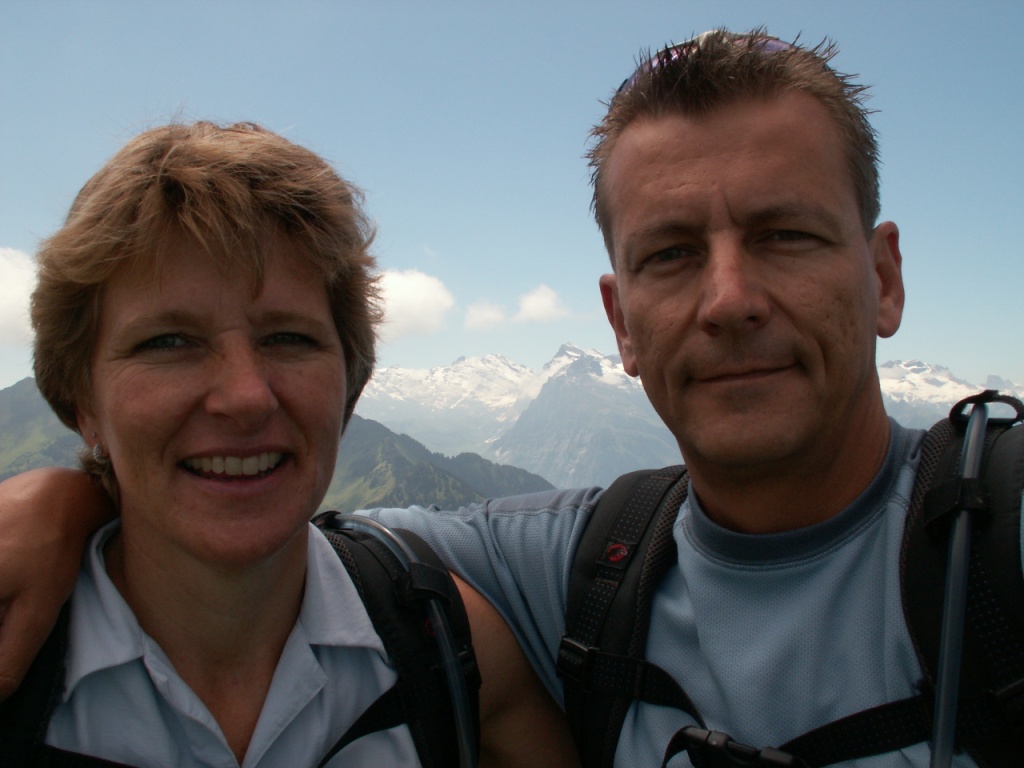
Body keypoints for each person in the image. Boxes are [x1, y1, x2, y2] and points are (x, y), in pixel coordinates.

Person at [0, 29, 1018, 767]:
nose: (729, 300)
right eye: (670, 254)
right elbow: (269, 531)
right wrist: (72, 497)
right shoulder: (557, 572)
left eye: (784, 235)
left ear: (883, 277)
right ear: (621, 322)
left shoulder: (998, 545)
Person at [0, 120, 575, 767]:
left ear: (348, 384)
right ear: (83, 401)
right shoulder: (21, 668)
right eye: (168, 342)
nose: (246, 396)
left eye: (289, 338)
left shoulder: (446, 641)